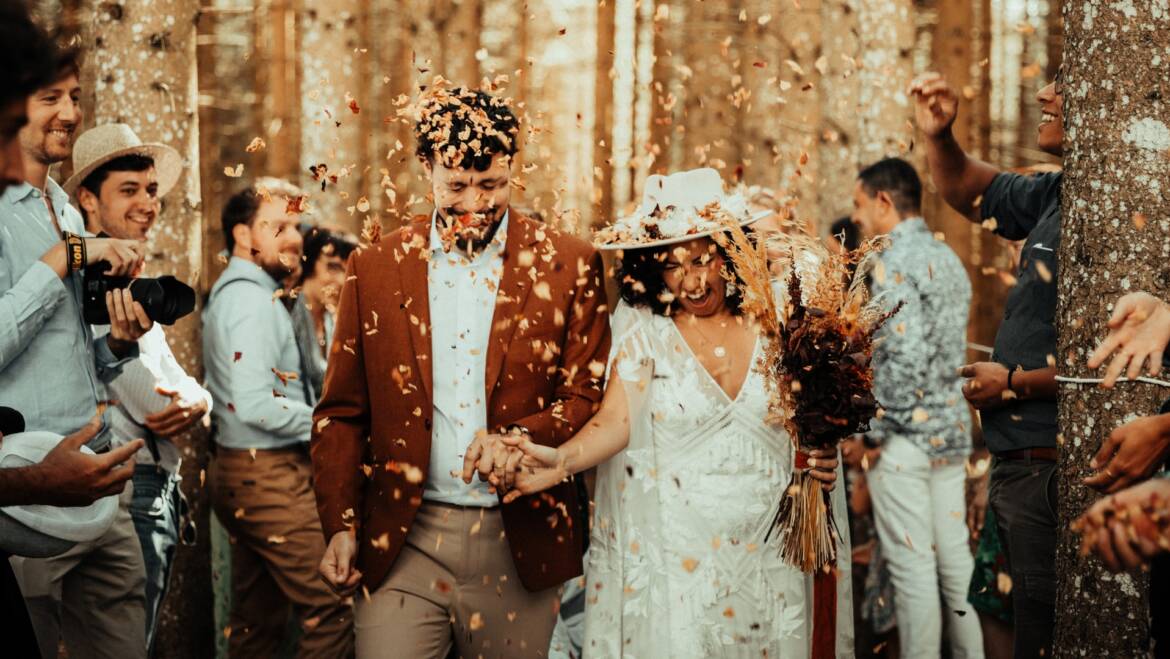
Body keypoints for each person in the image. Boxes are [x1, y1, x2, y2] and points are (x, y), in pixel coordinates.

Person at [311, 86, 611, 659]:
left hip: (519, 540)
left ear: (512, 170)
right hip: (402, 540)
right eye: (456, 185)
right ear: (426, 168)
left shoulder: (570, 262)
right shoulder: (372, 266)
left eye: (491, 184)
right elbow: (342, 413)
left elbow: (584, 394)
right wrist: (341, 524)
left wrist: (520, 438)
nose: (474, 202)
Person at [502, 167, 852, 657]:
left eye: (703, 259)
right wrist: (559, 462)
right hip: (684, 567)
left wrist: (824, 451)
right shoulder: (646, 329)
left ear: (730, 253)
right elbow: (614, 422)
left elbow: (815, 415)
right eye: (672, 265)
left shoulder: (781, 318)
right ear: (652, 269)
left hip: (776, 556)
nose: (691, 280)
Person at [2, 41, 160, 658]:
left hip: (102, 490)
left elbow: (84, 356)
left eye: (74, 96)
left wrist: (119, 344)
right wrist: (64, 259)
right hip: (28, 489)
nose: (70, 111)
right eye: (50, 98)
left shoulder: (68, 210)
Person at [910, 71, 1062, 657]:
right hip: (1016, 469)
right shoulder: (1055, 194)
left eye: (1062, 83)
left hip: (1058, 475)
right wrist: (940, 136)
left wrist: (1017, 385)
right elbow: (968, 191)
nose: (1043, 95)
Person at [67, 123, 210, 653]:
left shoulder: (127, 284)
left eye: (151, 190)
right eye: (128, 190)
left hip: (155, 489)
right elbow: (154, 403)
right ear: (87, 198)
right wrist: (190, 399)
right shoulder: (88, 286)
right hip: (129, 490)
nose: (148, 203)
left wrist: (202, 398)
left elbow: (182, 387)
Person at [203, 178, 353, 657]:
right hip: (266, 477)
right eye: (278, 225)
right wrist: (326, 421)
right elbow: (253, 402)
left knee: (256, 621)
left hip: (243, 471)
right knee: (332, 604)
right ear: (244, 235)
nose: (294, 237)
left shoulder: (246, 294)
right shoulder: (251, 301)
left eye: (296, 224)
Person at [850, 157, 983, 658]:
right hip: (949, 434)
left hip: (905, 441)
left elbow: (902, 354)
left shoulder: (891, 261)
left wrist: (877, 434)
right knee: (955, 567)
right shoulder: (947, 258)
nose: (857, 216)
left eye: (860, 204)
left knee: (911, 571)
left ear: (884, 201)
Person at [290, 224, 357, 399]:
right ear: (309, 262)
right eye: (333, 267)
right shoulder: (288, 313)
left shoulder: (331, 319)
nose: (342, 280)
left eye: (348, 270)